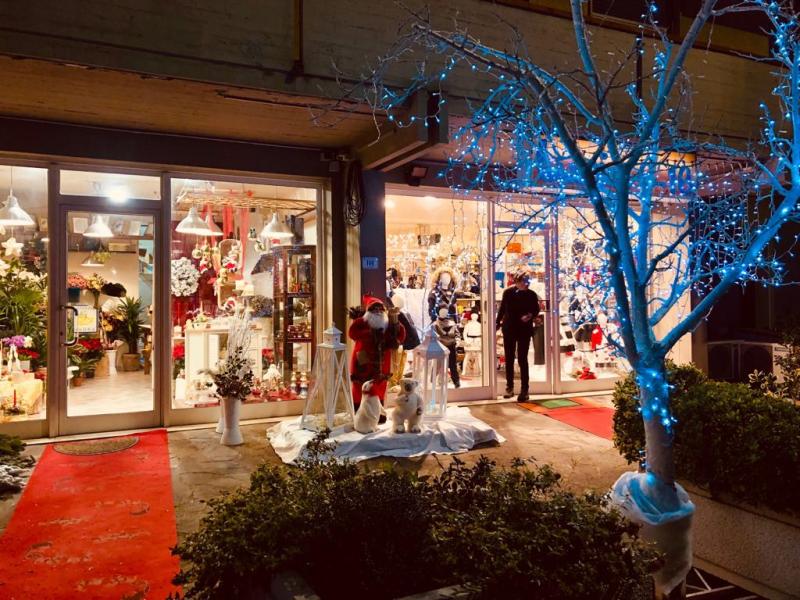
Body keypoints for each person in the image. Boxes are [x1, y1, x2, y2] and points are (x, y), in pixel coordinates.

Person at [348, 295, 406, 409]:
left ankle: (379, 412)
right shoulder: (361, 322)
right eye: (374, 309)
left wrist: (396, 329)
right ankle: (358, 409)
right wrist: (369, 334)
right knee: (360, 386)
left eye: (380, 309)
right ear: (368, 311)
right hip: (363, 360)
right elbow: (352, 333)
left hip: (382, 363)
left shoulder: (388, 323)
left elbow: (401, 335)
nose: (378, 311)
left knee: (380, 387)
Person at [496, 272, 540, 402]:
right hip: (509, 328)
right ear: (516, 282)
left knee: (522, 358)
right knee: (509, 358)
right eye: (521, 282)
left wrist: (530, 315)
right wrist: (497, 323)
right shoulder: (508, 293)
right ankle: (509, 387)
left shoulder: (531, 294)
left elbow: (536, 309)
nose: (523, 284)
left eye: (525, 282)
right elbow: (502, 309)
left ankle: (524, 390)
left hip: (524, 330)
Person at [433, 307, 461, 388]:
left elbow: (457, 334)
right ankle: (437, 381)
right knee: (439, 364)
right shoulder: (435, 324)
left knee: (452, 365)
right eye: (442, 311)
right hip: (440, 346)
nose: (444, 313)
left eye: (445, 311)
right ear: (438, 312)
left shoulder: (452, 323)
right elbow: (433, 336)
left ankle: (456, 381)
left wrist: (457, 340)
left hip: (451, 345)